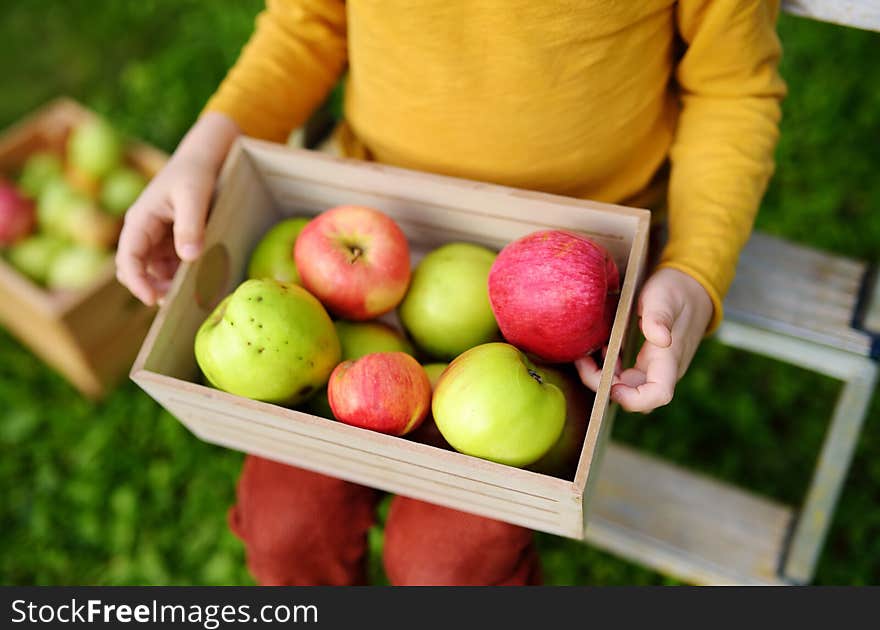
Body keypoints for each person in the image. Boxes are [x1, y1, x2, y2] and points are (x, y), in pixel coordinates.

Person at [115, 0, 786, 585]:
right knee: (285, 529)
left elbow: (733, 90)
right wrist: (204, 152)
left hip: (573, 279)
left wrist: (694, 271)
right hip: (365, 240)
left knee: (446, 568)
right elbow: (306, 24)